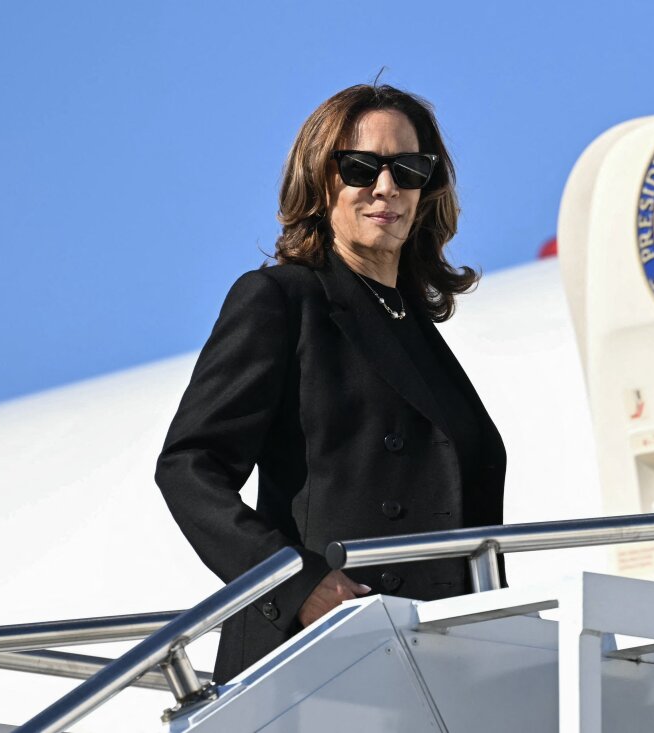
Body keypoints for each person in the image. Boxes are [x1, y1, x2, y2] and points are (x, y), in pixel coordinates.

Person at [155, 84, 507, 683]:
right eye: (362, 167)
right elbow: (189, 468)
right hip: (316, 653)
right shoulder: (281, 299)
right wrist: (299, 583)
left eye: (410, 169)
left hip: (441, 660)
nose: (387, 187)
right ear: (321, 180)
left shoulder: (413, 327)